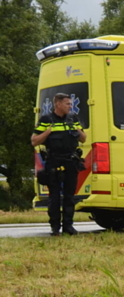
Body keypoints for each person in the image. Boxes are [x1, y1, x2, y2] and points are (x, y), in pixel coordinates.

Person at [31, 93, 86, 235]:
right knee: (54, 196)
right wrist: (47, 132)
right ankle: (55, 227)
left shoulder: (73, 118)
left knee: (69, 195)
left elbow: (83, 139)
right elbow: (34, 141)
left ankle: (68, 225)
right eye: (67, 104)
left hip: (70, 161)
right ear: (58, 104)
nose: (70, 106)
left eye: (70, 103)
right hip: (54, 161)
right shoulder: (46, 120)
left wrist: (77, 129)